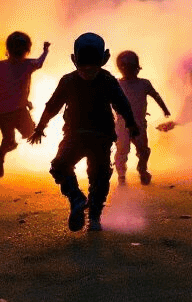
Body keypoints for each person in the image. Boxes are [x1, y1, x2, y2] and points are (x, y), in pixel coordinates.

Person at [29, 32, 138, 233]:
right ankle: (77, 199)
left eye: (93, 63)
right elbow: (53, 106)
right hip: (74, 135)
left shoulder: (107, 81)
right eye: (84, 63)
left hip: (101, 137)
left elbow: (122, 104)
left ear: (104, 59)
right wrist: (40, 127)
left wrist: (131, 123)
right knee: (60, 166)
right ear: (74, 60)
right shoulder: (69, 81)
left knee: (99, 176)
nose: (88, 68)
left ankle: (94, 217)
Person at [0, 31, 50, 177]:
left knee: (11, 140)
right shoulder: (26, 64)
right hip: (14, 111)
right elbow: (39, 62)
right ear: (26, 49)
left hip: (7, 112)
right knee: (20, 137)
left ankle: (0, 153)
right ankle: (0, 154)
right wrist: (45, 51)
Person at [113, 50, 170, 185]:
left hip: (139, 124)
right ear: (120, 68)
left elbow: (156, 95)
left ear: (137, 68)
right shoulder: (116, 84)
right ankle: (121, 176)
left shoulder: (144, 84)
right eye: (125, 67)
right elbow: (106, 100)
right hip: (122, 124)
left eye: (132, 67)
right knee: (122, 149)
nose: (129, 70)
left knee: (143, 150)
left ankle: (142, 169)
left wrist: (164, 109)